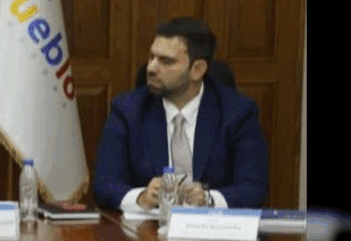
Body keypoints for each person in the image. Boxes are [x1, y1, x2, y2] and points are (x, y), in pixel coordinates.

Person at [93, 17, 268, 210]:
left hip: (212, 225)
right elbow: (104, 185)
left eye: (166, 61)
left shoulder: (238, 113)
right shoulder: (128, 110)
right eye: (152, 57)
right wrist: (141, 197)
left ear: (197, 70)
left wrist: (208, 199)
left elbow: (253, 188)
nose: (151, 68)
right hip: (150, 226)